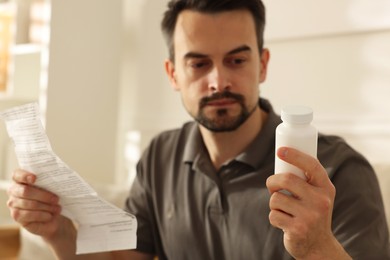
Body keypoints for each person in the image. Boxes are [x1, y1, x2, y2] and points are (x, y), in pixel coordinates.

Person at [6, 0, 390, 259]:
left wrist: (318, 245)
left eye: (237, 59)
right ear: (173, 74)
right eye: (198, 63)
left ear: (262, 65)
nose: (218, 80)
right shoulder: (160, 157)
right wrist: (57, 231)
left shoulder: (339, 171)